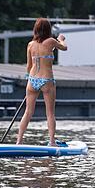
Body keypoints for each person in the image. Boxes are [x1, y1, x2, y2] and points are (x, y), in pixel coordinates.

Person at [16, 18, 68, 146]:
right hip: (46, 80)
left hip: (32, 80)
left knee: (28, 112)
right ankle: (51, 141)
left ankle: (19, 141)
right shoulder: (51, 41)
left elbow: (29, 66)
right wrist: (61, 38)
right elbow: (64, 48)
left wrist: (29, 80)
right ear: (48, 30)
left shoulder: (30, 44)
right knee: (50, 113)